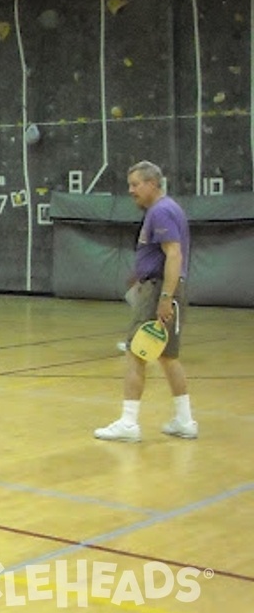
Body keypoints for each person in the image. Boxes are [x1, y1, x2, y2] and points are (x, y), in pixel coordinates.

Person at [95, 160, 197, 442]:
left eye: (135, 184)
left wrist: (164, 297)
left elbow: (174, 255)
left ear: (152, 184)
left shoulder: (161, 212)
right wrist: (139, 274)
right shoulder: (167, 209)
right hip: (160, 287)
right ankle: (185, 420)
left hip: (160, 291)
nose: (131, 191)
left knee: (135, 353)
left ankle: (128, 423)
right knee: (167, 356)